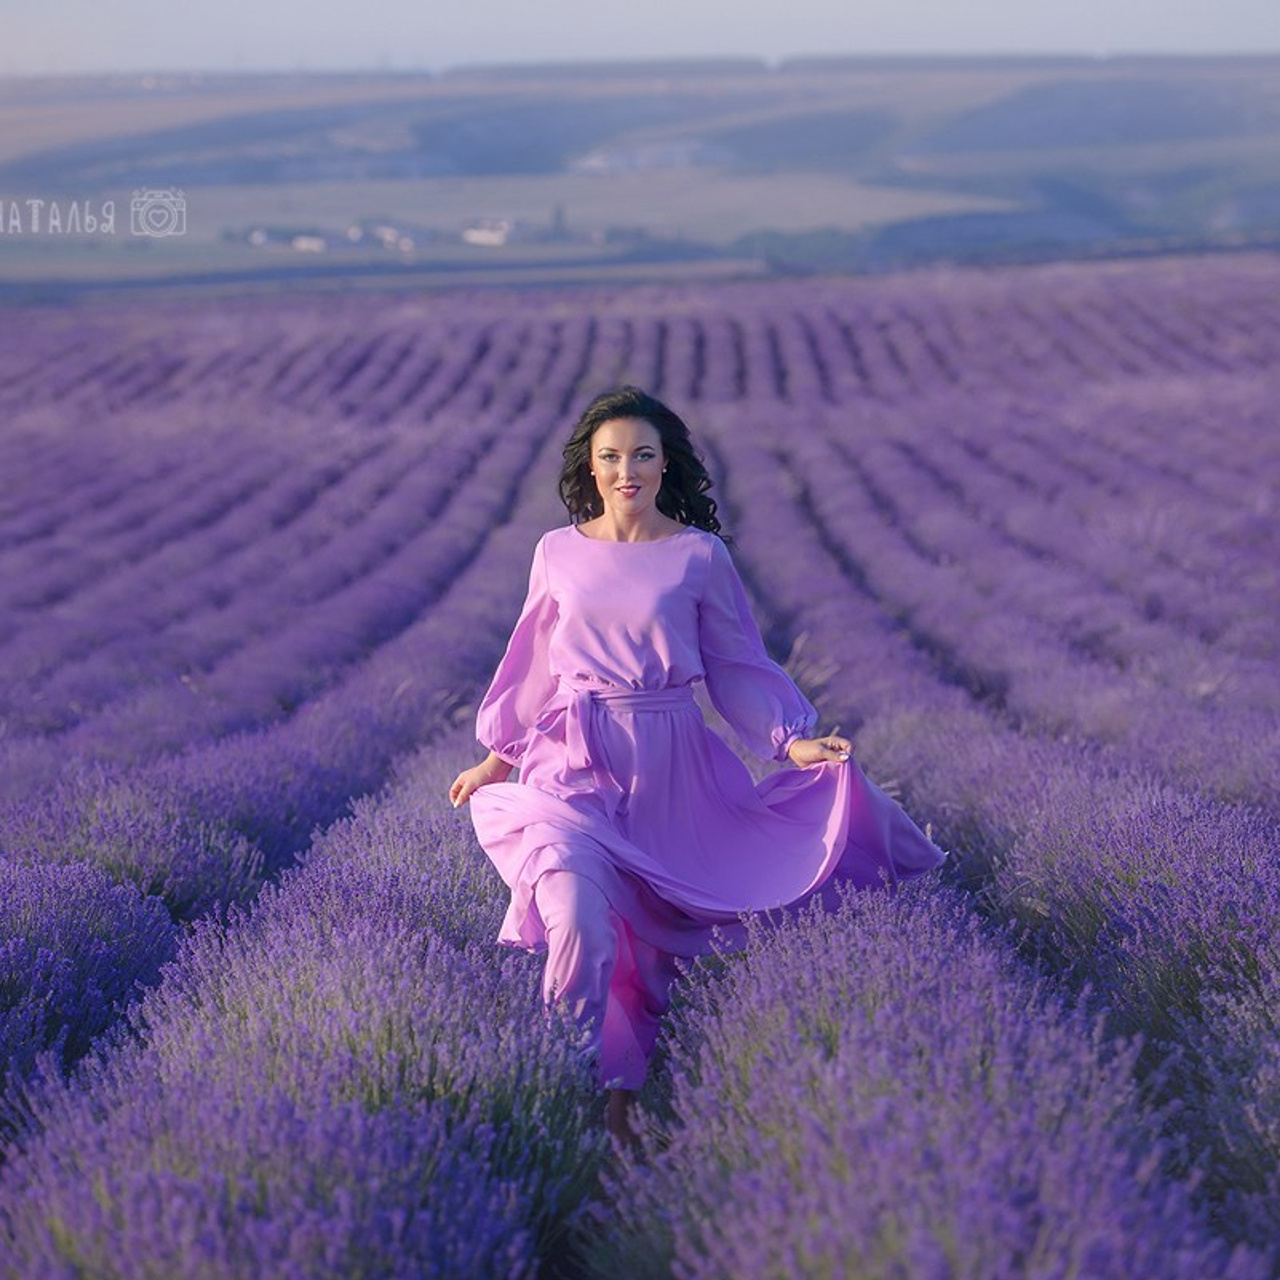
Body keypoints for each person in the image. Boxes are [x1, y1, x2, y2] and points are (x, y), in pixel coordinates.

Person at [449, 386, 945, 1145]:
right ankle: (567, 1092)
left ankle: (617, 1113)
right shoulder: (556, 550)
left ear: (665, 464)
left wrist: (792, 740)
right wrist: (496, 757)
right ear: (590, 465)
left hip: (668, 768)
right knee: (580, 920)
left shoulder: (698, 557)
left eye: (643, 454)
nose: (627, 470)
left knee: (647, 954)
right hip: (570, 769)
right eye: (611, 456)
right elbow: (535, 664)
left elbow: (735, 663)